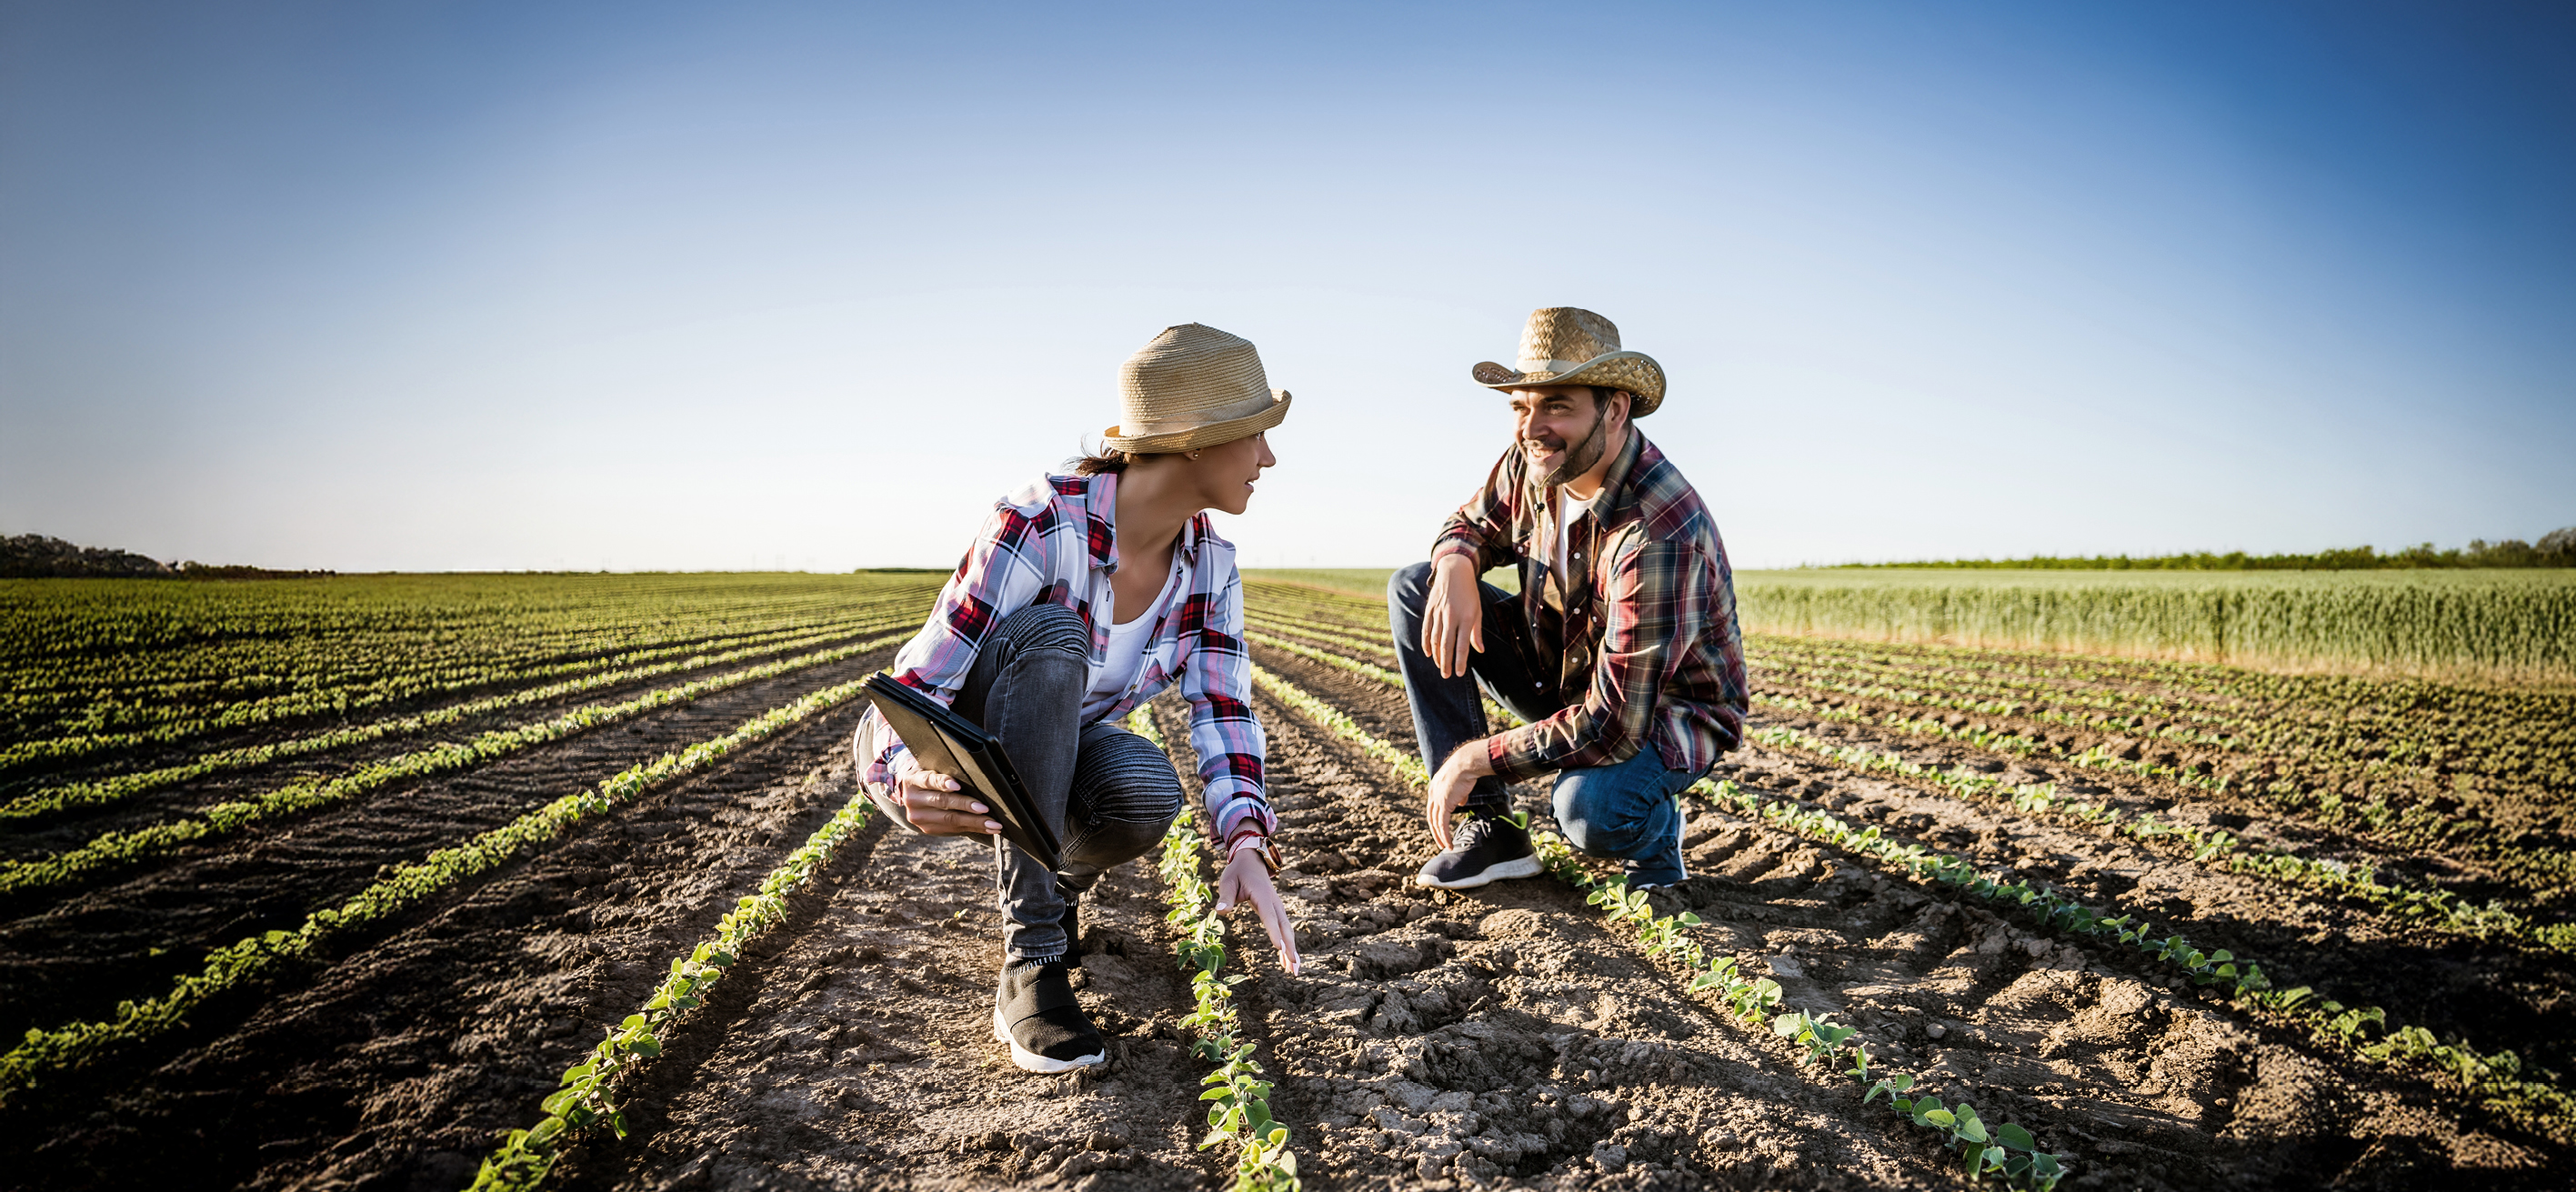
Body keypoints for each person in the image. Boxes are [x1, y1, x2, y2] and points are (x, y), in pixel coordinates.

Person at [853, 323, 1301, 1075]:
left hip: (1045, 764)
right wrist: (904, 775)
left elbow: (1223, 710)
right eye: (1254, 435)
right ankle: (1032, 962)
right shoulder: (1039, 522)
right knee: (1053, 635)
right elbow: (915, 689)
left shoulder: (1209, 565)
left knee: (1143, 789)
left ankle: (1052, 892)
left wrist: (1246, 841)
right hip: (939, 751)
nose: (1267, 456)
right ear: (1193, 441)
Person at [1388, 306, 1749, 891]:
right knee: (1415, 588)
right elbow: (1471, 523)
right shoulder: (1534, 460)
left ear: (1615, 408)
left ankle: (1655, 838)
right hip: (1568, 674)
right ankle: (1492, 829)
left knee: (1590, 813)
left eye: (1557, 405)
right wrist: (1455, 560)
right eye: (1520, 406)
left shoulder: (1656, 532)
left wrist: (1474, 757)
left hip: (1659, 715)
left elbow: (1612, 724)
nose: (1532, 428)